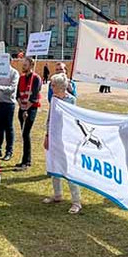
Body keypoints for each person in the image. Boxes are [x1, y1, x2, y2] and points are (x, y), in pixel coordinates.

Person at [43, 74, 82, 213]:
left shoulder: (71, 100)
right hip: (54, 138)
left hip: (67, 139)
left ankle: (76, 201)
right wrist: (47, 135)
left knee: (69, 169)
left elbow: (72, 120)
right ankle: (57, 194)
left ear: (60, 86)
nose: (51, 87)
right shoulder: (53, 99)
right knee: (55, 166)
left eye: (53, 85)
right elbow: (50, 118)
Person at [16, 56, 43, 169]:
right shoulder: (21, 78)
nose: (23, 66)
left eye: (25, 65)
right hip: (22, 108)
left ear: (31, 66)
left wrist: (26, 108)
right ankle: (24, 159)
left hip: (31, 109)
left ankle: (27, 161)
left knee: (26, 133)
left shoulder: (36, 78)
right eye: (23, 64)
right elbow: (17, 94)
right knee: (23, 134)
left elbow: (34, 96)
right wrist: (21, 106)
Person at [0, 62, 20, 161]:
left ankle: (9, 151)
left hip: (9, 103)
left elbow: (12, 89)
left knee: (8, 127)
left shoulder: (14, 73)